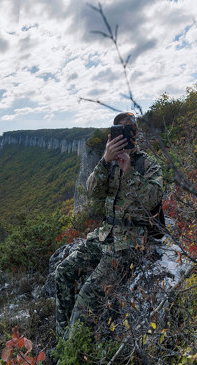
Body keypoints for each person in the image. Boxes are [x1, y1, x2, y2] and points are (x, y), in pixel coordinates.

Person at [51, 111, 164, 338]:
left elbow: (153, 197)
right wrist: (105, 160)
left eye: (128, 128)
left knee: (87, 294)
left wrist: (129, 171)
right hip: (105, 236)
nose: (123, 132)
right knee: (62, 272)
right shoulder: (108, 163)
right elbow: (92, 192)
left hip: (131, 241)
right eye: (118, 129)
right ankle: (62, 341)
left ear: (135, 132)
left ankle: (70, 353)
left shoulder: (148, 164)